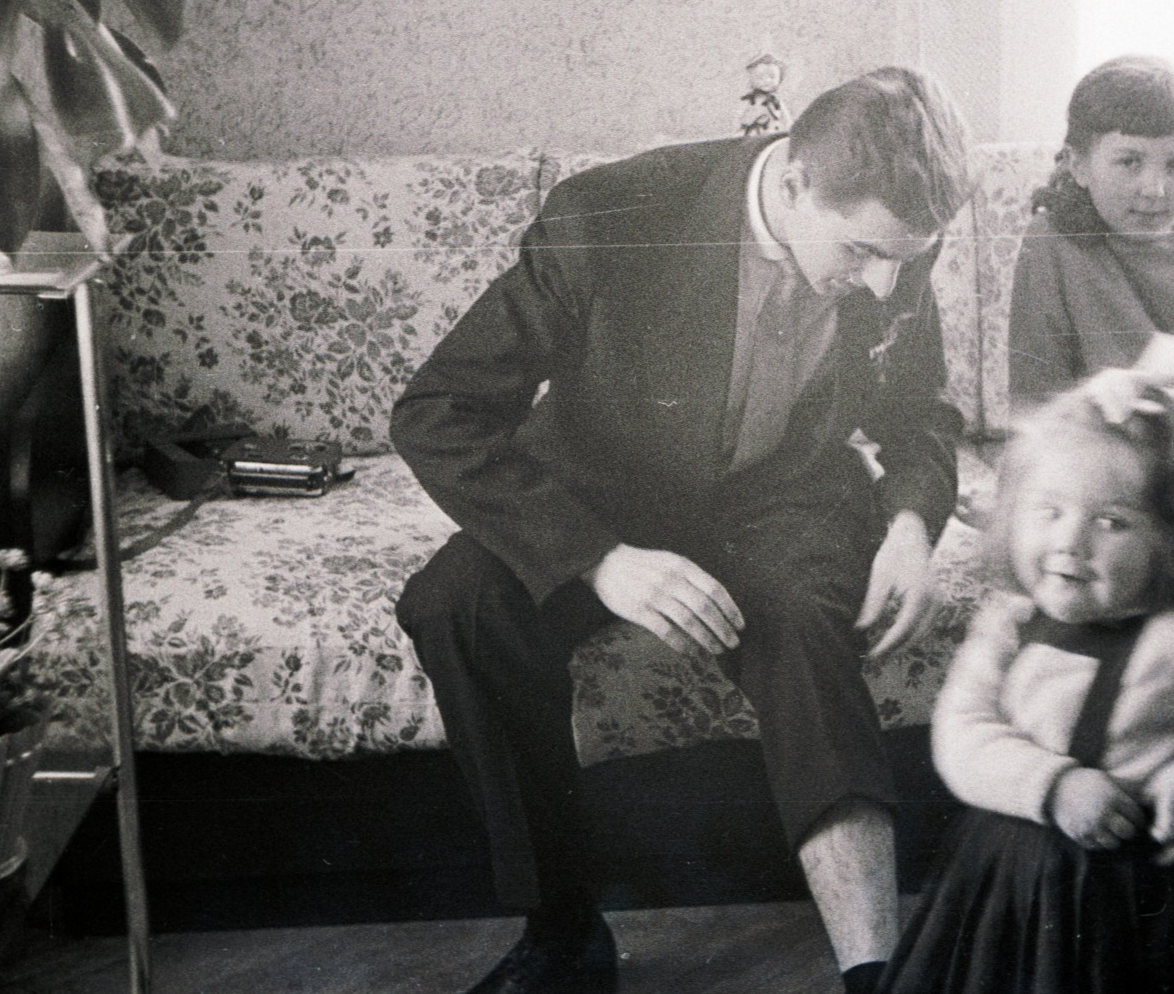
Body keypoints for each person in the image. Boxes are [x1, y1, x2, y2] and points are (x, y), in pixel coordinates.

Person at [391, 67, 974, 994]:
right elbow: (436, 411)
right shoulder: (612, 215)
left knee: (802, 617)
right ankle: (563, 934)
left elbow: (919, 412)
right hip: (605, 490)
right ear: (790, 184)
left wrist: (909, 525)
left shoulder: (895, 245)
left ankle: (877, 972)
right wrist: (598, 560)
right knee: (455, 604)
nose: (883, 282)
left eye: (905, 257)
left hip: (784, 492)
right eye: (862, 252)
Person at [876, 371, 1174, 994]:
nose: (1069, 542)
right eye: (1048, 511)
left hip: (1146, 902)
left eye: (1112, 522)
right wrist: (1051, 784)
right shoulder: (1009, 621)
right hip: (1007, 885)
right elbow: (960, 733)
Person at [1007, 54, 1174, 410]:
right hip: (1093, 452)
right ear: (1079, 165)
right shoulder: (1051, 243)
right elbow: (1034, 402)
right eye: (1129, 162)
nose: (1155, 189)